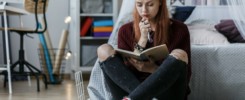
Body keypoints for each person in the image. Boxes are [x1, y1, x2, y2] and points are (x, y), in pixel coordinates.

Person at [96, 0, 191, 99]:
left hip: (165, 91)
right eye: (139, 5)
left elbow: (185, 75)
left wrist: (151, 68)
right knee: (103, 50)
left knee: (180, 54)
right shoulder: (125, 30)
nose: (144, 10)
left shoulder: (180, 30)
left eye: (150, 4)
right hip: (130, 88)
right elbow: (123, 72)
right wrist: (143, 39)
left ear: (160, 3)